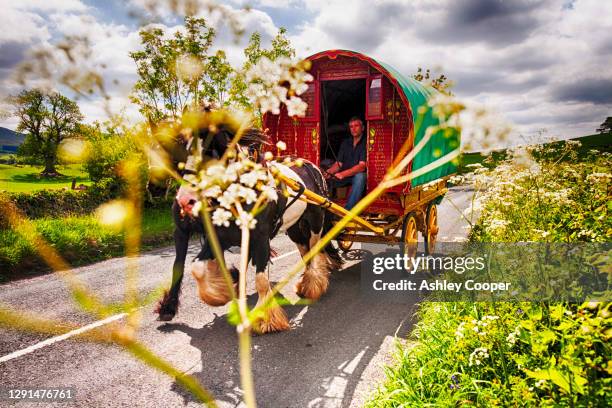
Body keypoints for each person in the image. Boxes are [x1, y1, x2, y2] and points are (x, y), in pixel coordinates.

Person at [324, 116, 367, 210]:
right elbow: (339, 164)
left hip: (354, 177)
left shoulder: (366, 142)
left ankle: (347, 212)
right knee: (324, 178)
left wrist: (343, 174)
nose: (353, 129)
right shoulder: (346, 143)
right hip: (344, 176)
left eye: (356, 126)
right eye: (351, 126)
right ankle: (327, 209)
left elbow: (362, 166)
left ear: (362, 128)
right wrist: (330, 171)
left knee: (361, 176)